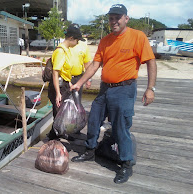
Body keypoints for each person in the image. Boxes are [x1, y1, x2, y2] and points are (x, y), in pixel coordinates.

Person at [70, 4, 157, 184]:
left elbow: (150, 62)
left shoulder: (138, 37)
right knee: (94, 118)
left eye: (118, 17)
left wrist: (150, 88)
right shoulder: (105, 40)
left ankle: (126, 163)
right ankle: (90, 150)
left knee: (120, 127)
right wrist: (78, 83)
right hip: (105, 88)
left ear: (126, 18)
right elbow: (95, 65)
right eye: (111, 18)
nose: (114, 21)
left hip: (124, 89)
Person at [47, 24, 86, 141]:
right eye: (77, 40)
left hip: (64, 84)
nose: (78, 43)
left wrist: (68, 82)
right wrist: (58, 93)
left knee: (62, 111)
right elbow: (55, 73)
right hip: (58, 86)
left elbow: (64, 70)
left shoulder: (66, 50)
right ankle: (54, 136)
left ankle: (62, 133)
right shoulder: (60, 51)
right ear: (71, 38)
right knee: (58, 111)